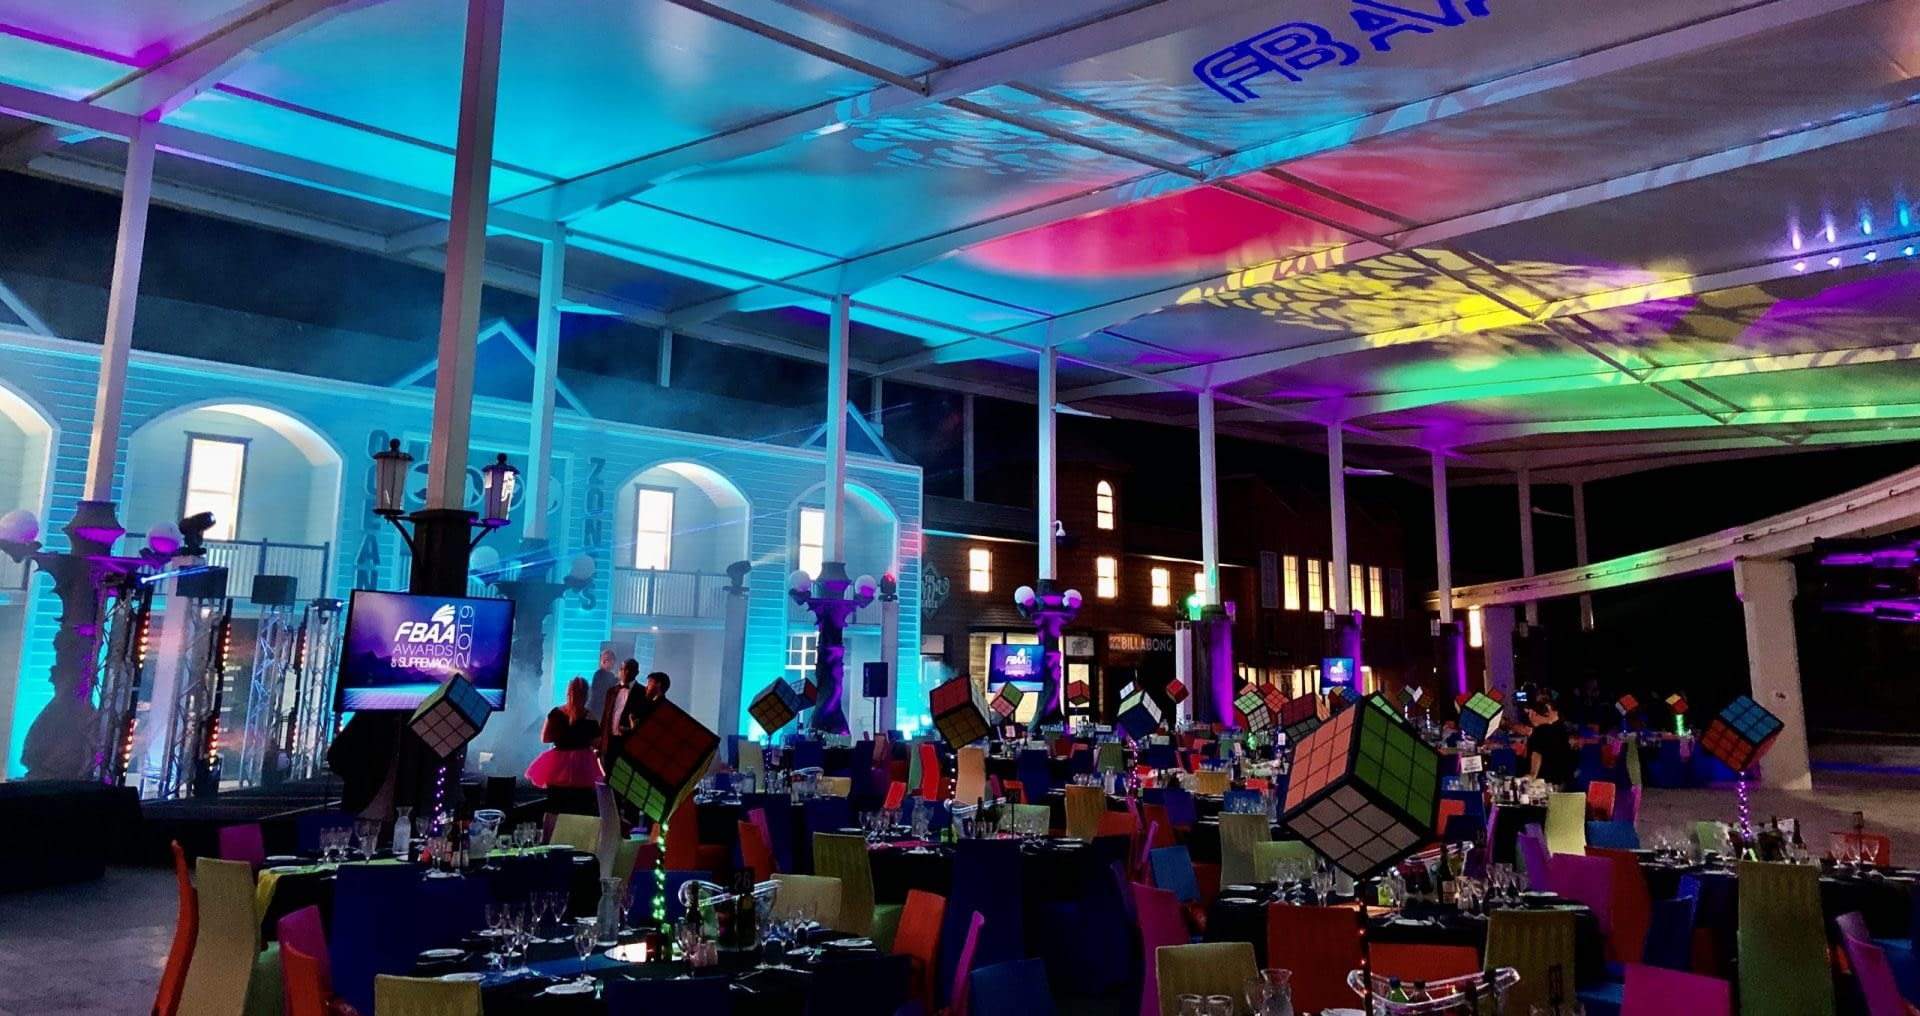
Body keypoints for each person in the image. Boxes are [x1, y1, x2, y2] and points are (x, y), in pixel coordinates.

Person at [526, 676, 603, 789]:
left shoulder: (555, 713)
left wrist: (561, 737)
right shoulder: (590, 717)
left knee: (557, 796)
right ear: (586, 695)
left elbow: (544, 738)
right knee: (581, 796)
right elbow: (597, 742)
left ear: (568, 693)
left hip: (557, 763)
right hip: (583, 766)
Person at [1524, 692, 1578, 789]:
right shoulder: (1563, 729)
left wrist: (1532, 775)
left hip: (1545, 785)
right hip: (1565, 784)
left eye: (1531, 713)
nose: (1530, 717)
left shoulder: (1541, 732)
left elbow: (1537, 754)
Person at [601, 658, 646, 760]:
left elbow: (643, 719)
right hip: (609, 740)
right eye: (623, 669)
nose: (626, 672)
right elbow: (605, 716)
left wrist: (630, 730)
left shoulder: (642, 692)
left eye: (630, 670)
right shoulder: (611, 691)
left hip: (628, 742)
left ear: (636, 673)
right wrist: (600, 740)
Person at [587, 648, 619, 718]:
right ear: (604, 661)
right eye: (611, 664)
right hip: (596, 709)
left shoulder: (610, 675)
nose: (612, 667)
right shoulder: (598, 675)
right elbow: (603, 690)